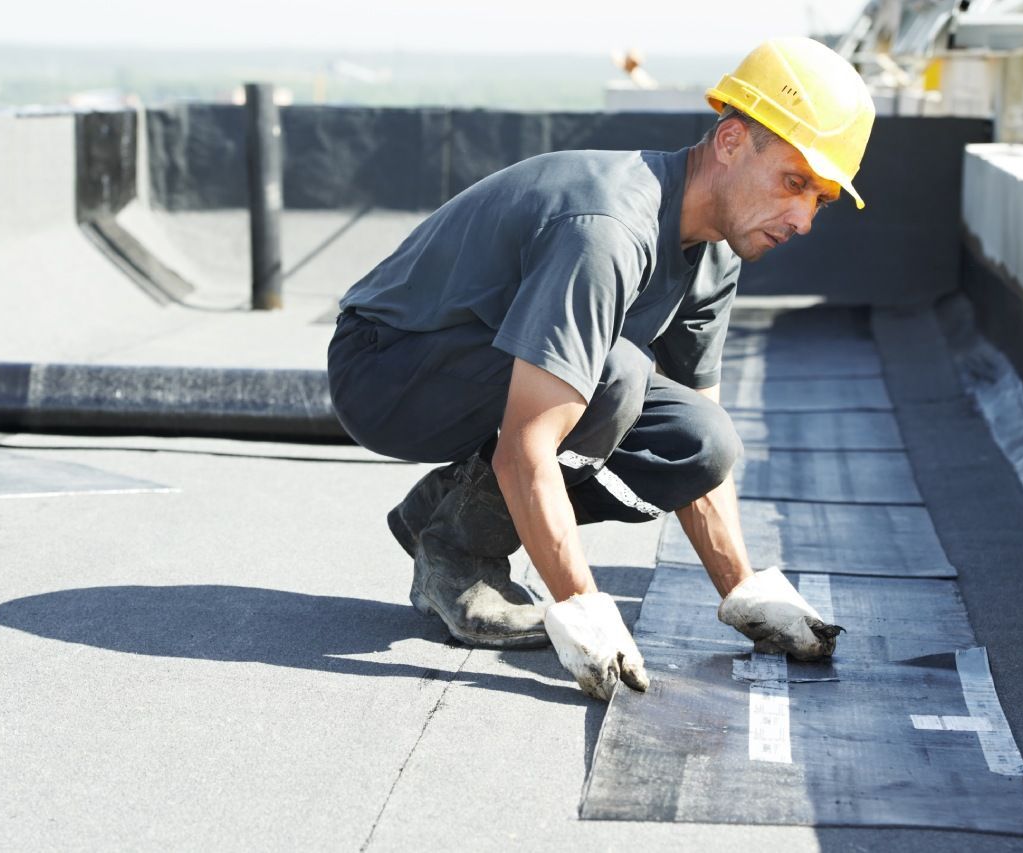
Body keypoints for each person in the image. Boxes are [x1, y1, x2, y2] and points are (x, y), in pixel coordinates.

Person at [328, 37, 875, 700]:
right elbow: (528, 444)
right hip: (389, 365)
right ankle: (458, 558)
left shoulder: (717, 250)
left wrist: (743, 588)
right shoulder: (610, 228)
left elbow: (698, 433)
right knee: (615, 375)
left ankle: (444, 513)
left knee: (702, 441)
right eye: (795, 182)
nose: (804, 219)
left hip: (483, 372)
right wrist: (581, 604)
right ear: (731, 142)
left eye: (821, 198)